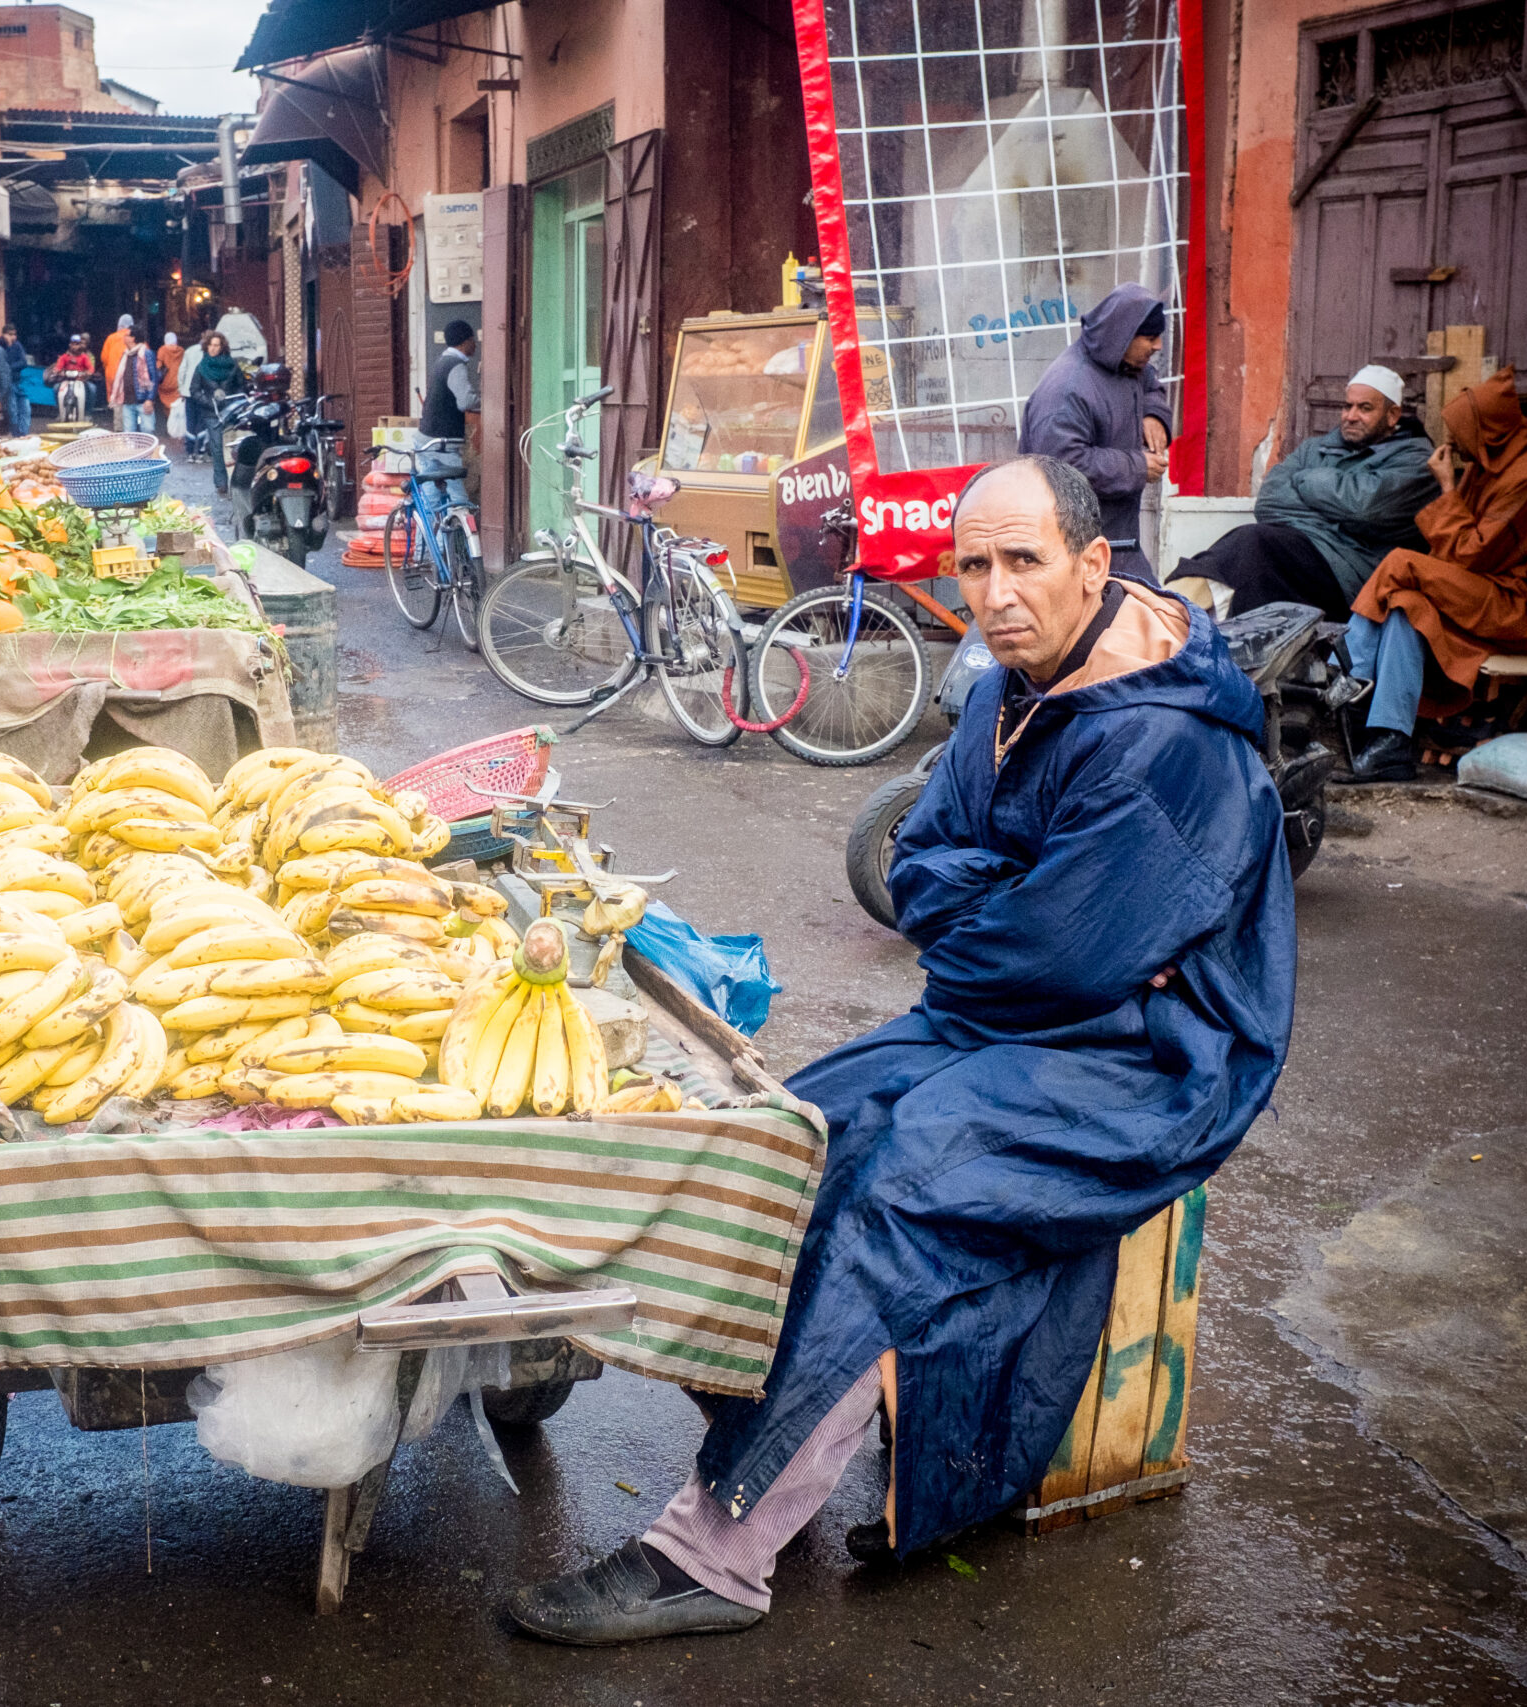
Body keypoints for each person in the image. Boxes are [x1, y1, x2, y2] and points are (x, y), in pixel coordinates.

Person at [503, 455, 1295, 1647]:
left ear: (1092, 564)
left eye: (1023, 560)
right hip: (1008, 1017)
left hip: (1150, 1058)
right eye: (973, 565)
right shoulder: (1007, 684)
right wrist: (1001, 907)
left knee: (903, 1186)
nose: (995, 592)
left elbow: (1055, 958)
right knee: (789, 1132)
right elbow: (917, 863)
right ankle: (764, 1422)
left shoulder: (1167, 742)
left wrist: (999, 915)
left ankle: (715, 1552)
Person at [1330, 368, 1527, 783]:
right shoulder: (1490, 460)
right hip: (1494, 585)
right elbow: (1462, 554)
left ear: (1487, 430)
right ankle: (1391, 741)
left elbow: (1471, 555)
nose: (1452, 442)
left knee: (1400, 563)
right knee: (1404, 605)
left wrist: (1447, 489)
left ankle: (1343, 679)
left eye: (1460, 433)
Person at [1181, 364, 1435, 619]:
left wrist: (1306, 480)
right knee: (1253, 562)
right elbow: (1268, 502)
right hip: (1300, 553)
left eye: (1365, 408)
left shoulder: (1416, 461)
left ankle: (1175, 613)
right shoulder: (1315, 448)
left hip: (1351, 574)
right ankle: (1178, 612)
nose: (1351, 416)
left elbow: (1364, 509)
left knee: (1254, 545)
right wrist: (1334, 515)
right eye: (1347, 406)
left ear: (1392, 415)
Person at [1016, 283, 1173, 585]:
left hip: (1115, 542)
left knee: (1155, 609)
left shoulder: (1125, 363)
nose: (1158, 346)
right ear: (1124, 336)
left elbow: (1149, 384)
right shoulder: (1067, 391)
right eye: (1150, 338)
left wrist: (1154, 415)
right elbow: (1061, 468)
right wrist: (1138, 467)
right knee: (1150, 609)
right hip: (1072, 552)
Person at [418, 318, 479, 509]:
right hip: (442, 441)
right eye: (473, 340)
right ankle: (464, 528)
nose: (475, 344)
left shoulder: (442, 361)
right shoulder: (455, 365)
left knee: (431, 495)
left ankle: (426, 529)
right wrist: (488, 403)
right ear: (465, 342)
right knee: (458, 495)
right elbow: (466, 401)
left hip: (426, 436)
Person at [185, 331, 243, 463]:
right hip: (211, 412)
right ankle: (219, 472)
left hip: (230, 411)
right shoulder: (201, 367)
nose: (212, 348)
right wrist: (208, 402)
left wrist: (233, 402)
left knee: (230, 447)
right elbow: (194, 390)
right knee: (216, 447)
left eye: (216, 345)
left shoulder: (232, 365)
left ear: (222, 347)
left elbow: (241, 386)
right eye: (210, 345)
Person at [111, 331, 160, 436]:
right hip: (127, 400)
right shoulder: (125, 355)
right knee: (129, 434)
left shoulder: (146, 354)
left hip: (143, 400)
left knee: (147, 431)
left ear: (133, 338)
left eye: (127, 335)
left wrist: (150, 399)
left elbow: (153, 378)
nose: (124, 337)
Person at [47, 335, 98, 422]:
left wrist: (88, 373)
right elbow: (58, 367)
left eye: (77, 344)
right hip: (66, 380)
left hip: (81, 380)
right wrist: (58, 371)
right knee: (55, 388)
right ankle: (59, 411)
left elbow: (90, 368)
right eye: (73, 344)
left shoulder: (84, 357)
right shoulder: (64, 357)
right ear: (70, 345)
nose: (75, 346)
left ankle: (88, 413)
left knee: (92, 389)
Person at [0, 323, 33, 437]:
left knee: (25, 408)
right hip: (7, 384)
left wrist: (9, 367)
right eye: (10, 334)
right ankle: (16, 434)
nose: (13, 337)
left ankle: (23, 433)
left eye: (14, 334)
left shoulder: (17, 345)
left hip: (18, 381)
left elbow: (23, 362)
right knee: (12, 410)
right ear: (3, 335)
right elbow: (0, 366)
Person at [99, 314, 138, 400]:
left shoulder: (111, 338)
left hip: (113, 376)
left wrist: (109, 368)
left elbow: (104, 358)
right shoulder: (136, 338)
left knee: (115, 402)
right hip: (131, 378)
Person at [155, 330, 184, 439]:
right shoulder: (181, 351)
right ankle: (177, 429)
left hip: (166, 383)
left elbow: (158, 366)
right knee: (177, 406)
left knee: (167, 407)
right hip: (177, 382)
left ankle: (169, 428)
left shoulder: (162, 350)